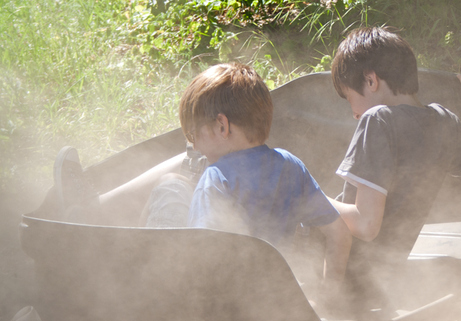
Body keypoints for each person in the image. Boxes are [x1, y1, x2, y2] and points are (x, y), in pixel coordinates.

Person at [54, 62, 352, 289]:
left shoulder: (217, 178)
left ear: (222, 126)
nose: (192, 145)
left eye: (193, 134)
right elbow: (338, 233)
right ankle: (94, 212)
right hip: (269, 298)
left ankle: (108, 247)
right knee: (178, 184)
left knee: (170, 187)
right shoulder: (291, 165)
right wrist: (330, 294)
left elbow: (201, 254)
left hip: (211, 305)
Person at [325, 27, 461, 316]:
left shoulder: (377, 119)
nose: (353, 112)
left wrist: (306, 195)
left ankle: (325, 301)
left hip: (338, 277)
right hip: (378, 281)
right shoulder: (443, 121)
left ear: (371, 80)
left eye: (349, 97)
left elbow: (366, 225)